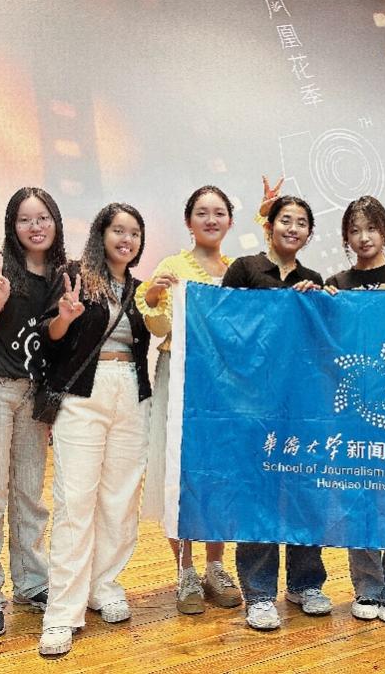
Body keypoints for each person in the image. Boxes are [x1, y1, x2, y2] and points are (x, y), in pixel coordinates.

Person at [38, 203, 152, 656]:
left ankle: (103, 585)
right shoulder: (75, 276)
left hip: (133, 394)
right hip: (84, 394)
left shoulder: (140, 291)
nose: (126, 239)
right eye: (118, 230)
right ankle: (62, 613)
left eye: (134, 233)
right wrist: (65, 317)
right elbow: (50, 336)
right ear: (100, 234)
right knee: (75, 502)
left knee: (120, 499)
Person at [0, 188, 66, 638]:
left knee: (29, 496)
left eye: (43, 218)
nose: (35, 227)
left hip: (33, 396)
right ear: (12, 225)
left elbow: (59, 343)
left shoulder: (62, 277)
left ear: (55, 222)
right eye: (25, 219)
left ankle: (32, 582)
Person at [222, 194, 334, 631]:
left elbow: (321, 344)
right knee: (258, 495)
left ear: (309, 233)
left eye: (302, 222)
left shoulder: (313, 279)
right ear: (269, 226)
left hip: (302, 405)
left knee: (306, 493)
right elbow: (225, 326)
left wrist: (319, 303)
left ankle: (305, 583)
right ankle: (259, 593)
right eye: (286, 220)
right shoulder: (245, 269)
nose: (293, 228)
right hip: (254, 404)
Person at [136, 186, 241, 615]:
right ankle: (185, 570)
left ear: (230, 221)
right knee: (177, 471)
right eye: (202, 212)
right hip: (178, 377)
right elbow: (159, 327)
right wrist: (155, 297)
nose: (210, 220)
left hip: (224, 384)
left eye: (218, 212)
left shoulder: (238, 271)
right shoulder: (172, 267)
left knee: (219, 473)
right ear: (188, 221)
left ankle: (215, 565)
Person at [324, 196, 385, 623]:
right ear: (346, 237)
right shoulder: (337, 283)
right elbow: (326, 342)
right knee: (358, 497)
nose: (363, 237)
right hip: (353, 405)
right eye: (354, 230)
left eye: (371, 228)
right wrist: (321, 304)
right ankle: (366, 586)